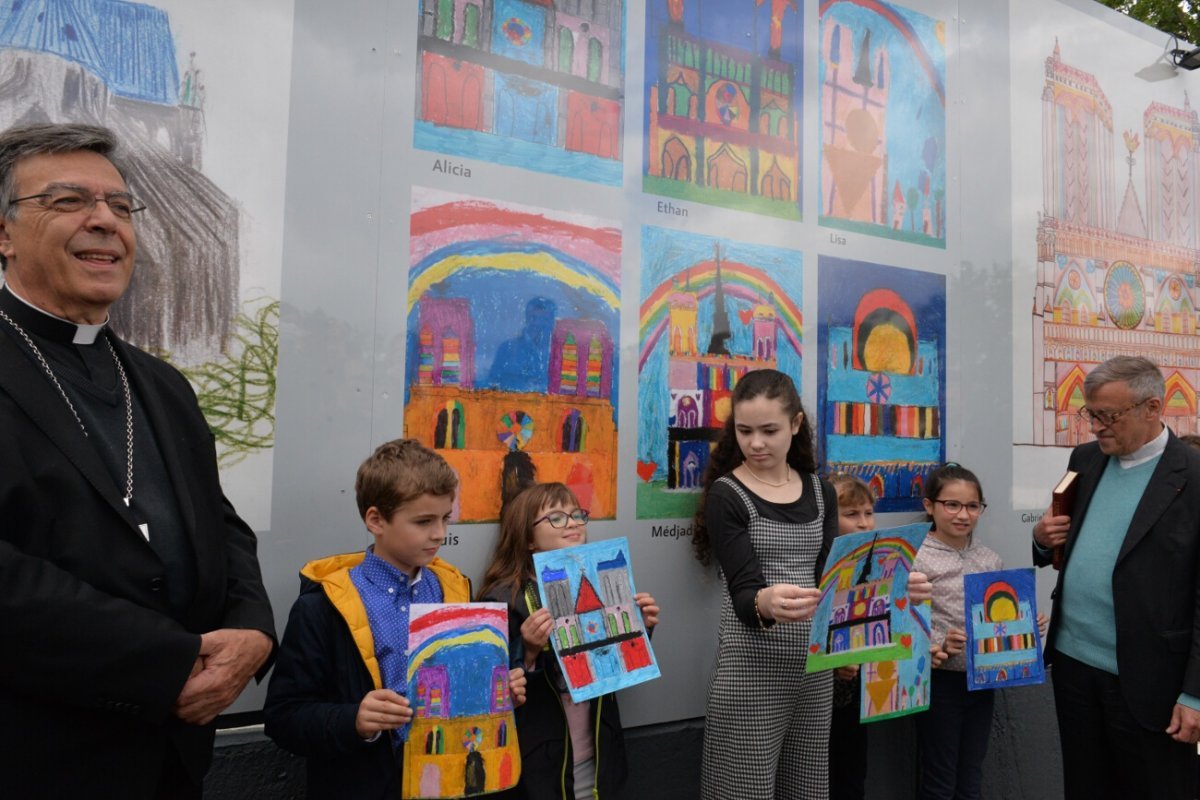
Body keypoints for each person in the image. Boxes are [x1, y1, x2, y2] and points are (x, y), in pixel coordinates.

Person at [0, 122, 275, 797]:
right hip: (37, 758)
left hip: (172, 762)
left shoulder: (160, 383)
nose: (104, 222)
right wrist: (169, 663)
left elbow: (221, 526)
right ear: (3, 234)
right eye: (67, 202)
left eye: (121, 208)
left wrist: (252, 632)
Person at [264, 439, 527, 798]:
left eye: (445, 518)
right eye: (423, 521)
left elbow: (469, 689)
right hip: (366, 784)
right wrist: (353, 720)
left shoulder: (456, 591)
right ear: (376, 520)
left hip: (450, 781)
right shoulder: (324, 605)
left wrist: (498, 690)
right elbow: (284, 717)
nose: (439, 533)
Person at [1033, 356, 1200, 800]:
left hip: (1150, 682)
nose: (1096, 427)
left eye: (1109, 416)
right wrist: (1040, 538)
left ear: (1153, 408)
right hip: (1073, 666)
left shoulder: (1193, 477)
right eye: (1091, 413)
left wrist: (1195, 695)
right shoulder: (1085, 459)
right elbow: (1063, 540)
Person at [692, 368, 836, 800]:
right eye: (744, 430)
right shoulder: (727, 494)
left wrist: (896, 586)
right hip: (750, 672)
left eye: (770, 430)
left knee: (807, 789)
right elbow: (741, 592)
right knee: (742, 791)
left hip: (814, 672)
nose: (756, 443)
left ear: (795, 425)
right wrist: (765, 601)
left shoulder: (820, 490)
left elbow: (831, 581)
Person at [477, 481, 660, 799]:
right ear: (528, 538)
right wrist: (529, 651)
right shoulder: (504, 598)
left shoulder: (597, 581)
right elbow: (490, 694)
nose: (573, 522)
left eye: (577, 514)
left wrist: (638, 631)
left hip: (599, 756)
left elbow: (613, 671)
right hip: (538, 767)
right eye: (557, 517)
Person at [826, 472, 936, 800]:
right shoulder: (816, 565)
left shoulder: (877, 563)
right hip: (816, 700)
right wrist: (834, 667)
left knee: (852, 772)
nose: (863, 523)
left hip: (856, 697)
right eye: (851, 514)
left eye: (868, 513)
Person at [912, 463, 1004, 800]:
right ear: (929, 506)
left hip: (982, 682)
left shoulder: (989, 560)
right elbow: (901, 623)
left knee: (971, 773)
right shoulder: (916, 558)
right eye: (951, 504)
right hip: (938, 682)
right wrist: (938, 642)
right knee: (940, 776)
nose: (962, 514)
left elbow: (998, 614)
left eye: (972, 506)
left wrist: (1025, 627)